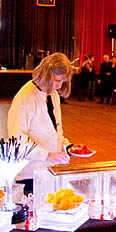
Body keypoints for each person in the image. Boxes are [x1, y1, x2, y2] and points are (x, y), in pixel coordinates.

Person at [7, 52, 73, 182]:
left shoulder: (52, 94)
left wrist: (67, 145)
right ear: (46, 75)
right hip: (30, 173)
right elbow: (17, 142)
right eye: (58, 80)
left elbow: (54, 131)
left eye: (63, 81)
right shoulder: (25, 97)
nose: (60, 86)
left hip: (51, 170)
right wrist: (47, 155)